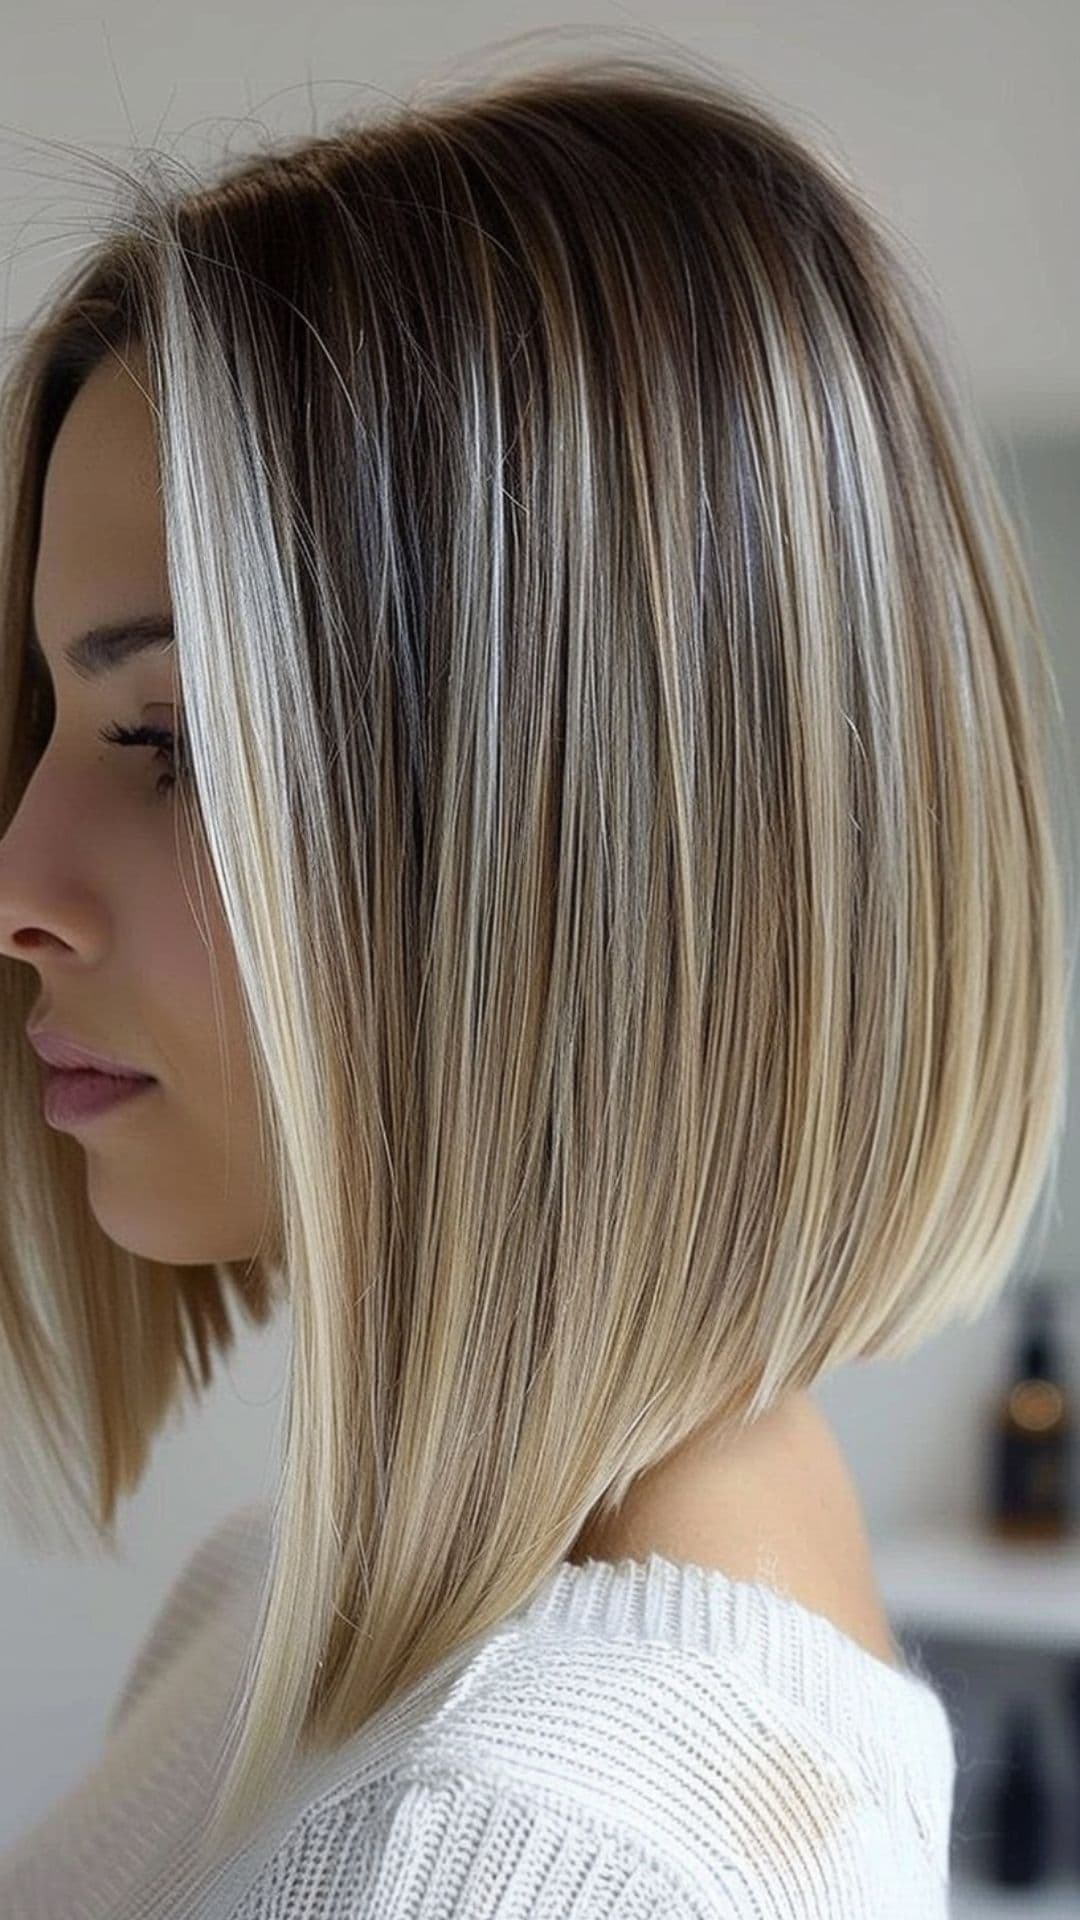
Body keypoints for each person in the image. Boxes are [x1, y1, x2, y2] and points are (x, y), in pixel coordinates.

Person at [0, 38, 1070, 1920]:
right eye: (52, 733)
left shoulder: (526, 1859)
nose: (18, 883)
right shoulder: (287, 1618)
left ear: (589, 847)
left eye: (176, 743)